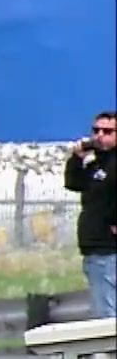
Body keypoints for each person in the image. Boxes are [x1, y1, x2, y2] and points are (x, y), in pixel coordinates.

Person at [65, 109, 116, 318]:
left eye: (108, 131)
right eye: (96, 130)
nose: (100, 136)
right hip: (94, 246)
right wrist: (77, 159)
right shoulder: (97, 164)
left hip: (108, 248)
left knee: (108, 311)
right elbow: (74, 183)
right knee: (103, 306)